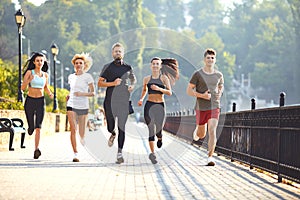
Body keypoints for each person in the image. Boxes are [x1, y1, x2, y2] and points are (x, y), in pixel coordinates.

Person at [98, 42, 136, 164]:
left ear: (123, 53)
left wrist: (132, 86)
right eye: (116, 51)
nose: (118, 53)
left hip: (124, 100)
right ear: (112, 53)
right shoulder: (107, 67)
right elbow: (99, 83)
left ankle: (119, 153)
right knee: (110, 125)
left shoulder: (128, 67)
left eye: (120, 51)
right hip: (109, 101)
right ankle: (112, 133)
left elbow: (133, 79)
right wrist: (112, 83)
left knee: (122, 128)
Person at [186, 48, 224, 166]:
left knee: (212, 130)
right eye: (208, 58)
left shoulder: (219, 75)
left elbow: (221, 86)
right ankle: (197, 131)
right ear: (204, 59)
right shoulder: (198, 74)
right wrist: (201, 95)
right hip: (201, 107)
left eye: (212, 58)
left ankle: (210, 157)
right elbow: (189, 91)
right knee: (201, 135)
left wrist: (220, 93)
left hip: (214, 106)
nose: (210, 60)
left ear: (215, 60)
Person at [138, 57, 179, 164]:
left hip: (160, 106)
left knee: (158, 130)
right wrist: (141, 99)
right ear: (151, 66)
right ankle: (152, 154)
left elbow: (169, 92)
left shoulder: (164, 78)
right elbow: (144, 90)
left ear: (160, 66)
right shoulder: (146, 79)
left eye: (157, 64)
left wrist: (159, 89)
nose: (155, 66)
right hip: (149, 106)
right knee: (151, 130)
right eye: (154, 64)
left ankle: (160, 138)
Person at [21, 52, 53, 159]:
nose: (40, 62)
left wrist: (50, 93)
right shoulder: (29, 72)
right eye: (38, 60)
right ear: (34, 62)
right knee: (32, 126)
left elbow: (46, 87)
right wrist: (29, 80)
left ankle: (36, 149)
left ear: (44, 62)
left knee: (38, 127)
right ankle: (30, 127)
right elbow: (22, 88)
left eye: (41, 61)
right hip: (30, 101)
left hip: (40, 101)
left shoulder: (45, 75)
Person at [66, 53, 95, 162]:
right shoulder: (71, 77)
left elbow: (93, 93)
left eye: (80, 63)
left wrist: (82, 94)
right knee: (73, 129)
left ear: (84, 65)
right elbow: (72, 90)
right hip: (71, 104)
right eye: (76, 63)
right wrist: (69, 95)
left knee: (81, 133)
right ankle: (75, 153)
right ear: (74, 65)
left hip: (83, 105)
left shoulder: (88, 77)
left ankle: (82, 138)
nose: (78, 65)